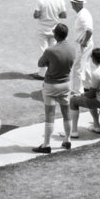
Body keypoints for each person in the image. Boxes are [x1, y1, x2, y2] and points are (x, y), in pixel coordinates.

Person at [34, 23, 77, 153]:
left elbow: (40, 63)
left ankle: (46, 144)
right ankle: (67, 140)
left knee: (50, 115)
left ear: (55, 34)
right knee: (66, 113)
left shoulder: (50, 50)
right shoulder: (72, 49)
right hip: (66, 84)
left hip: (51, 85)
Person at [70, 48, 100, 134]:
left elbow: (90, 94)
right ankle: (96, 126)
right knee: (91, 99)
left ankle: (74, 131)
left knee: (73, 101)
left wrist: (80, 95)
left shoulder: (97, 73)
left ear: (93, 59)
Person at [32, 0, 67, 79]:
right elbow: (63, 15)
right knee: (53, 51)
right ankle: (52, 72)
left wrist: (38, 14)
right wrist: (54, 14)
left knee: (43, 51)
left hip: (42, 28)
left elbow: (36, 15)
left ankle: (42, 74)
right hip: (55, 30)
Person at [68, 0, 94, 96]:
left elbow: (89, 30)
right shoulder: (83, 13)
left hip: (84, 44)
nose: (71, 5)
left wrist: (84, 42)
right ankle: (89, 86)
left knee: (77, 67)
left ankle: (78, 91)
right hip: (87, 43)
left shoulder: (83, 15)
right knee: (86, 65)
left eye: (72, 3)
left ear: (75, 4)